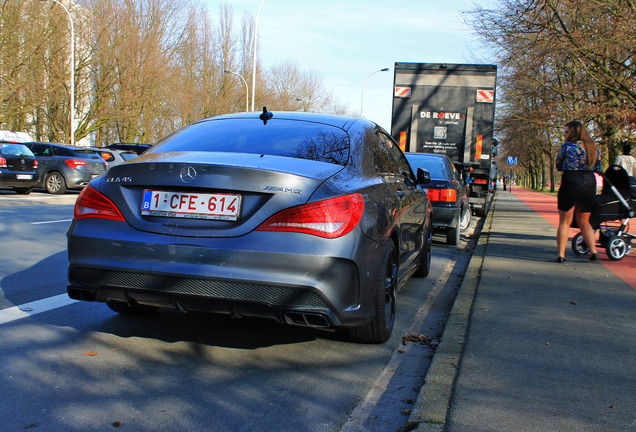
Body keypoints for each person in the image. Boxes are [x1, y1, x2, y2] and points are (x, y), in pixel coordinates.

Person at [555, 121, 602, 263]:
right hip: (588, 183)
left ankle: (561, 255)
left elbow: (558, 164)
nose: (564, 134)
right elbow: (598, 168)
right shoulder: (594, 148)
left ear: (574, 133)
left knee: (565, 221)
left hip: (571, 182)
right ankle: (593, 252)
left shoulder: (567, 147)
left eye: (566, 131)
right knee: (584, 221)